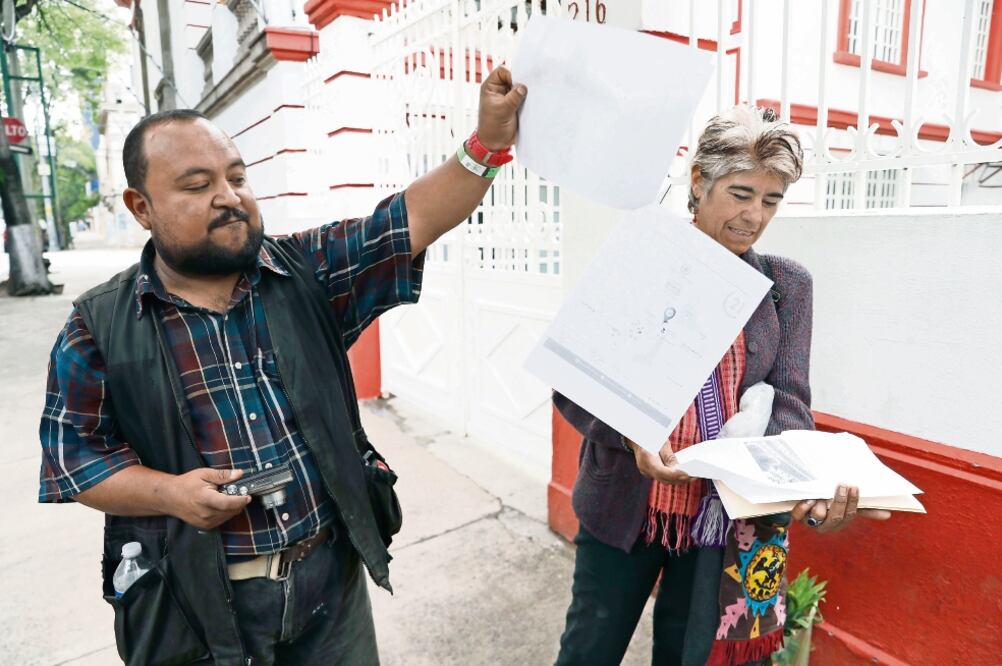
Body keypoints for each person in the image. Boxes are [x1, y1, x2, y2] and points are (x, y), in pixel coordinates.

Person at [38, 67, 526, 665]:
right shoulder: (99, 325)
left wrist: (487, 143)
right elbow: (74, 459)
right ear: (141, 207)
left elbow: (409, 222)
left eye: (237, 176)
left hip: (332, 585)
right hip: (200, 608)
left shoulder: (304, 272)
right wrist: (170, 494)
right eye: (197, 185)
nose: (229, 197)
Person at [553, 105, 890, 666]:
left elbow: (789, 403)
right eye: (741, 194)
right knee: (589, 650)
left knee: (690, 657)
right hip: (625, 506)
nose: (754, 216)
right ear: (698, 181)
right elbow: (574, 388)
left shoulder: (785, 287)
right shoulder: (640, 263)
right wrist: (635, 436)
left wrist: (804, 485)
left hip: (725, 525)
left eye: (771, 200)